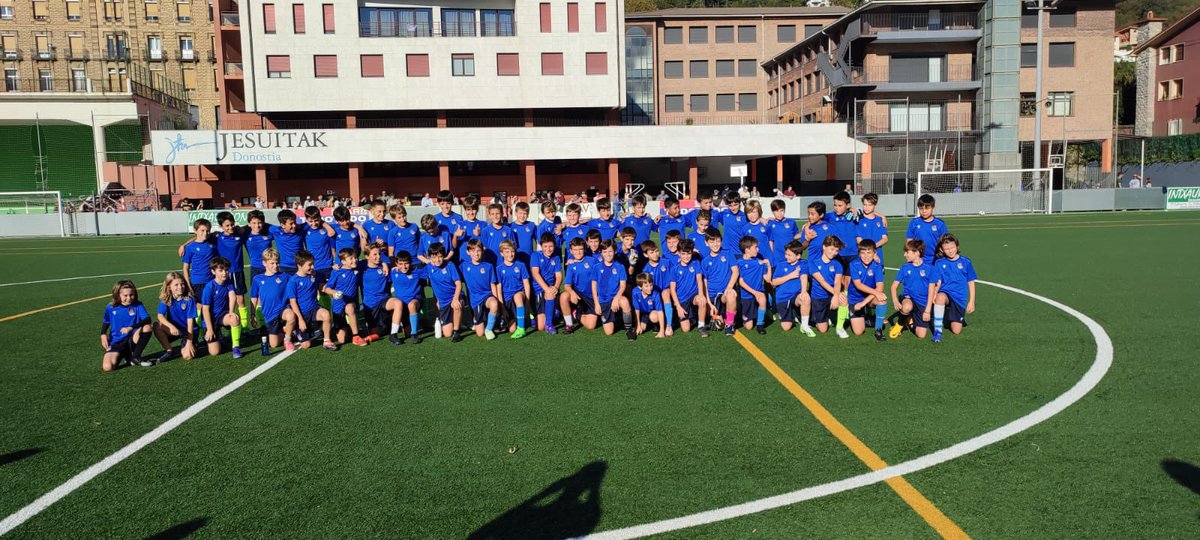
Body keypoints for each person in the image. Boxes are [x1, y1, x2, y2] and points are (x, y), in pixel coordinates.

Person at [283, 251, 335, 351]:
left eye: (313, 264)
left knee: (326, 314)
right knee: (306, 345)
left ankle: (327, 341)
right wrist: (301, 320)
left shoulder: (314, 275)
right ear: (299, 265)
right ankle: (295, 330)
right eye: (309, 265)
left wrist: (333, 292)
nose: (313, 267)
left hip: (314, 309)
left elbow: (322, 285)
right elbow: (293, 303)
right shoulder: (293, 281)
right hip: (302, 314)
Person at [929, 234, 977, 342]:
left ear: (957, 246)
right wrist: (935, 294)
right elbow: (938, 281)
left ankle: (947, 315)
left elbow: (971, 282)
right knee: (940, 297)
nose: (950, 251)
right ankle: (937, 331)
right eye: (946, 249)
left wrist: (972, 301)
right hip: (945, 293)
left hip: (959, 298)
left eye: (952, 247)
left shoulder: (966, 262)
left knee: (956, 330)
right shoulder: (939, 263)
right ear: (941, 249)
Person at [100, 280, 154, 371]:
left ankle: (135, 357)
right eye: (125, 295)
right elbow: (106, 321)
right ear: (118, 294)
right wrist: (103, 334)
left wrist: (131, 327)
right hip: (117, 342)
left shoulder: (138, 305)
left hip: (132, 340)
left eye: (131, 295)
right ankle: (126, 355)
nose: (129, 298)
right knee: (107, 367)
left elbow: (147, 319)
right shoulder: (110, 307)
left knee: (147, 327)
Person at [889, 239, 935, 340]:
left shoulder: (929, 268)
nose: (905, 255)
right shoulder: (905, 267)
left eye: (907, 252)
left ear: (917, 253)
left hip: (923, 302)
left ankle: (909, 321)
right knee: (907, 307)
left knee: (921, 335)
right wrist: (895, 300)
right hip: (908, 297)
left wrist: (927, 311)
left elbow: (931, 290)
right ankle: (900, 324)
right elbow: (893, 286)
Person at [324, 249, 368, 348]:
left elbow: (369, 260)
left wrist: (385, 265)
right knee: (342, 340)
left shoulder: (357, 268)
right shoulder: (337, 272)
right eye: (351, 258)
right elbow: (327, 288)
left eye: (356, 257)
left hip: (351, 304)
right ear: (343, 261)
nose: (355, 260)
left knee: (350, 307)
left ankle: (356, 336)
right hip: (338, 308)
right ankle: (347, 327)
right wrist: (334, 292)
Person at [590, 239, 634, 339]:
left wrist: (616, 298)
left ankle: (629, 329)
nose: (608, 254)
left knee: (624, 301)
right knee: (609, 332)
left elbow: (623, 285)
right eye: (605, 252)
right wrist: (596, 303)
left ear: (614, 251)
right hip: (603, 301)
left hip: (615, 298)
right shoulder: (596, 267)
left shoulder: (620, 266)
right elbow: (593, 287)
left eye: (610, 251)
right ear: (601, 253)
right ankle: (617, 318)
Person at [200, 257, 243, 358]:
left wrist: (231, 312)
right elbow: (205, 310)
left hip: (222, 315)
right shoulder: (209, 287)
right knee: (214, 352)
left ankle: (236, 347)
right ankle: (217, 335)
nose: (224, 273)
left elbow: (232, 296)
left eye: (226, 270)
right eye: (221, 270)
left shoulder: (228, 282)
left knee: (234, 318)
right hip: (211, 318)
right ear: (213, 271)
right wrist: (210, 329)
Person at [250, 248, 290, 355]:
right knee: (274, 344)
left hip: (283, 309)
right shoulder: (257, 279)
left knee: (290, 315)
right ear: (264, 263)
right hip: (270, 314)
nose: (275, 265)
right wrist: (252, 314)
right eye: (272, 263)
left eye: (277, 263)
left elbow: (297, 279)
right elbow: (253, 297)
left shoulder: (284, 276)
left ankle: (289, 334)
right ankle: (286, 331)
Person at [701, 229, 739, 337]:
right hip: (712, 296)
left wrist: (729, 288)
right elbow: (704, 284)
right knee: (716, 322)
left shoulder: (728, 253)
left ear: (721, 241)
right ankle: (718, 316)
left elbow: (735, 272)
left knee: (731, 295)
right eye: (712, 241)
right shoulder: (704, 261)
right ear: (706, 243)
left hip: (724, 294)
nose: (715, 244)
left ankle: (729, 324)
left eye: (718, 241)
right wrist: (709, 303)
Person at [770, 241, 813, 336]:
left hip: (795, 296)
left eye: (789, 255)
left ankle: (804, 325)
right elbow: (774, 282)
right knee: (786, 327)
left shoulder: (803, 264)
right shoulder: (781, 265)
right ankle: (793, 314)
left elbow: (804, 276)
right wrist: (790, 275)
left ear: (798, 256)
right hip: (783, 298)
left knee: (805, 298)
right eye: (786, 254)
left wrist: (804, 291)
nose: (786, 257)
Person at [848, 240, 888, 340]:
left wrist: (864, 303)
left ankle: (878, 330)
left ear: (875, 253)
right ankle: (867, 319)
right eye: (863, 253)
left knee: (882, 299)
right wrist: (861, 303)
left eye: (869, 252)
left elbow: (880, 288)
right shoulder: (854, 264)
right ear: (859, 253)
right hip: (855, 299)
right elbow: (858, 285)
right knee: (858, 332)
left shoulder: (877, 265)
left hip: (869, 298)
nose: (866, 256)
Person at [461, 239, 501, 340]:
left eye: (478, 250)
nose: (476, 253)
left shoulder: (488, 266)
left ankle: (489, 328)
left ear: (483, 251)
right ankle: (479, 319)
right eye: (473, 251)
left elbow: (493, 284)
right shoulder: (464, 266)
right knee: (479, 333)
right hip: (475, 300)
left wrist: (496, 300)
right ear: (468, 252)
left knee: (494, 304)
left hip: (487, 296)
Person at [425, 242, 465, 342]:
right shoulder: (429, 267)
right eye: (434, 257)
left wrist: (455, 298)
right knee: (447, 334)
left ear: (444, 256)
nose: (437, 260)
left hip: (455, 296)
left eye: (440, 257)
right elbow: (415, 273)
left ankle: (457, 331)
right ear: (430, 258)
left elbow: (459, 284)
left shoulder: (450, 265)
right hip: (443, 302)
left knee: (457, 305)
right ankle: (456, 322)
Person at [809, 236, 847, 338]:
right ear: (824, 247)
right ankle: (820, 316)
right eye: (831, 249)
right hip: (819, 297)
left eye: (836, 250)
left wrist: (836, 295)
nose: (834, 252)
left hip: (831, 294)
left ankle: (839, 327)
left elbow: (837, 282)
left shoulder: (837, 264)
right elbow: (822, 282)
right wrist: (836, 294)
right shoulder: (814, 263)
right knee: (823, 330)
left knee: (843, 298)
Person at [154, 271, 197, 362]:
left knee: (187, 356)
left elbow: (190, 322)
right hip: (175, 330)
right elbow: (160, 316)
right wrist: (171, 326)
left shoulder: (189, 299)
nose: (180, 287)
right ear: (169, 286)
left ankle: (188, 343)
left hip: (189, 331)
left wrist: (189, 341)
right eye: (176, 285)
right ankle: (169, 351)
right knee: (156, 325)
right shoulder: (166, 298)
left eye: (182, 284)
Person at [385, 250, 424, 345]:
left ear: (410, 263)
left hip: (414, 302)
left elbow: (432, 268)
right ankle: (398, 330)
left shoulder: (417, 272)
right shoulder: (393, 273)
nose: (403, 267)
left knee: (411, 305)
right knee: (406, 333)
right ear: (396, 264)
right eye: (400, 264)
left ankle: (414, 334)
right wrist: (384, 264)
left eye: (406, 263)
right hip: (402, 306)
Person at [669, 239, 706, 336]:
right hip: (681, 300)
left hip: (693, 296)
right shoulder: (674, 269)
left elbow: (699, 280)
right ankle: (690, 317)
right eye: (683, 254)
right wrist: (678, 307)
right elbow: (672, 290)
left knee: (702, 300)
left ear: (692, 252)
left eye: (688, 253)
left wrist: (701, 294)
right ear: (678, 253)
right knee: (686, 329)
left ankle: (701, 326)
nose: (686, 256)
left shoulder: (696, 263)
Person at [495, 240, 532, 339]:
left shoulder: (521, 265)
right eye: (507, 252)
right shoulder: (499, 268)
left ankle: (521, 329)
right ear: (501, 253)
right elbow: (499, 289)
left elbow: (526, 284)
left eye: (512, 251)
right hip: (507, 299)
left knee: (517, 296)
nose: (510, 254)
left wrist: (527, 301)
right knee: (511, 329)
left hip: (520, 295)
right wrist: (502, 307)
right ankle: (524, 319)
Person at [735, 236, 770, 334]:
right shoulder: (739, 263)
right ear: (747, 250)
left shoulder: (759, 262)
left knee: (762, 298)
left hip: (758, 292)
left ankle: (759, 324)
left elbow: (767, 278)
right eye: (755, 247)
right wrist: (754, 293)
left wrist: (769, 266)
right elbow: (741, 282)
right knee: (748, 326)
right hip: (747, 295)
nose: (758, 249)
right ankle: (741, 315)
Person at [560, 238, 595, 334]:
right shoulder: (571, 265)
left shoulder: (592, 260)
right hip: (578, 294)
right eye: (575, 250)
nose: (578, 252)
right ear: (571, 251)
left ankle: (576, 315)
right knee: (564, 296)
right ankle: (569, 325)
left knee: (591, 325)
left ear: (584, 249)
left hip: (592, 296)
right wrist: (572, 293)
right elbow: (567, 285)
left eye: (580, 249)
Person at [530, 233, 563, 334]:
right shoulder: (535, 255)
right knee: (540, 326)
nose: (548, 249)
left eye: (551, 246)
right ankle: (552, 313)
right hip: (539, 290)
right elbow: (535, 273)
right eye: (545, 246)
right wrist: (546, 288)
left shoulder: (556, 258)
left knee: (550, 294)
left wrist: (556, 287)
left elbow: (559, 276)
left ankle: (549, 324)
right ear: (541, 246)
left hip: (551, 290)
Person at [357, 244, 391, 342]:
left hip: (384, 302)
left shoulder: (384, 267)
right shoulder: (361, 266)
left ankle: (394, 333)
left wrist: (384, 263)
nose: (378, 256)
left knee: (397, 303)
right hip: (370, 306)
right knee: (376, 333)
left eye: (379, 253)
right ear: (367, 256)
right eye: (374, 254)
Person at [640, 241, 674, 337]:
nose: (655, 254)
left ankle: (669, 325)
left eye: (656, 251)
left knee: (665, 293)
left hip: (668, 292)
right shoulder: (646, 270)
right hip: (656, 298)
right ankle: (656, 324)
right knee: (654, 317)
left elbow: (675, 278)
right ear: (646, 255)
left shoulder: (666, 262)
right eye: (652, 252)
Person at [906, 195, 949, 265]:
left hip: (936, 259)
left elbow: (945, 242)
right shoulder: (914, 223)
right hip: (918, 259)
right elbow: (909, 242)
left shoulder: (940, 224)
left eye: (927, 208)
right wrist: (910, 254)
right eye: (921, 208)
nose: (924, 211)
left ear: (933, 207)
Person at [181, 218, 216, 301]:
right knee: (199, 304)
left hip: (211, 280)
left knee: (211, 304)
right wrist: (188, 284)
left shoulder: (212, 242)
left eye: (207, 231)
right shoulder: (190, 247)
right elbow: (185, 268)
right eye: (202, 230)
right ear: (195, 230)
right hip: (197, 282)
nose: (205, 233)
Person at [855, 193, 889, 267]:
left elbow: (885, 239)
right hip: (863, 258)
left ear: (875, 205)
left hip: (878, 257)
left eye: (870, 205)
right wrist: (870, 251)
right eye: (865, 205)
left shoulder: (880, 220)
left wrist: (872, 249)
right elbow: (859, 239)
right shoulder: (859, 220)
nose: (867, 207)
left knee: (879, 278)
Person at [767, 199, 799, 273]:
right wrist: (773, 255)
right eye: (776, 211)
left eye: (781, 210)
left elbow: (795, 236)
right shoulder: (770, 224)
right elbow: (770, 241)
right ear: (772, 212)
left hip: (791, 254)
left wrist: (805, 231)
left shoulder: (791, 222)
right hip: (777, 256)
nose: (779, 213)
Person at [359, 200, 394, 265]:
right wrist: (375, 245)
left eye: (384, 211)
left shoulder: (391, 224)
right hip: (373, 262)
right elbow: (364, 248)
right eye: (379, 211)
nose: (382, 214)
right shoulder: (366, 225)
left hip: (389, 260)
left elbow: (396, 244)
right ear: (372, 211)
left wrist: (384, 245)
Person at [631, 273, 666, 339]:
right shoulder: (635, 292)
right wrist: (638, 325)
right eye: (646, 286)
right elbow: (636, 309)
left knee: (654, 317)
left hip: (653, 312)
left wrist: (662, 331)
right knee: (641, 329)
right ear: (640, 287)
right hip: (643, 314)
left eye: (651, 285)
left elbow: (660, 311)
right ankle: (648, 324)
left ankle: (655, 325)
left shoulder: (656, 293)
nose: (650, 288)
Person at [269, 209, 304, 274]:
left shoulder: (301, 229)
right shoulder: (276, 231)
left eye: (295, 222)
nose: (294, 225)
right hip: (284, 267)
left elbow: (313, 220)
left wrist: (326, 226)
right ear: (283, 225)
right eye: (291, 224)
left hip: (300, 266)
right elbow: (263, 225)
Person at [386, 204, 420, 272]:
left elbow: (419, 244)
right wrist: (394, 265)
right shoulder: (393, 232)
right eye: (399, 217)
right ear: (394, 218)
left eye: (404, 216)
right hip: (402, 264)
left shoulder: (414, 226)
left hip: (416, 262)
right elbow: (391, 252)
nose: (402, 219)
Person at [455, 196, 485, 267]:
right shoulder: (460, 225)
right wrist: (455, 236)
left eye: (473, 209)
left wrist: (480, 235)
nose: (471, 212)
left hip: (479, 262)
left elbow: (486, 244)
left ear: (477, 210)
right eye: (468, 209)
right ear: (465, 210)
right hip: (463, 261)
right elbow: (454, 246)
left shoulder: (483, 224)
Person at [510, 202, 538, 266]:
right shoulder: (510, 227)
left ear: (528, 214)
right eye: (520, 213)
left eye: (525, 213)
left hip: (529, 258)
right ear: (515, 213)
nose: (522, 216)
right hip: (515, 259)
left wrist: (536, 255)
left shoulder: (532, 225)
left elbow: (538, 241)